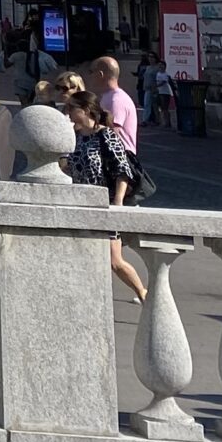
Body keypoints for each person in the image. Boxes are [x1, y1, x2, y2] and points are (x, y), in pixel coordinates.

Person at [61, 88, 149, 301]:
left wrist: (117, 203)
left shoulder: (106, 134)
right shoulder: (75, 137)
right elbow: (67, 168)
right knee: (83, 255)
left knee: (114, 259)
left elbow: (123, 169)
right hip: (81, 204)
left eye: (71, 108)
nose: (68, 112)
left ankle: (143, 293)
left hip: (105, 204)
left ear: (85, 110)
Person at [91, 55, 140, 159]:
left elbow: (111, 133)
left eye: (92, 72)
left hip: (119, 159)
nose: (90, 76)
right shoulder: (108, 97)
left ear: (100, 74)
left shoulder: (116, 100)